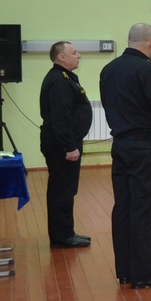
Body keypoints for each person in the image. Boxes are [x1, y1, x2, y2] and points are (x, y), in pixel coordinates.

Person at [99, 23, 151, 289]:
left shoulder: (109, 69)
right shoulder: (148, 70)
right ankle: (144, 274)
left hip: (121, 145)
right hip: (145, 148)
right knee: (145, 208)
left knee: (123, 207)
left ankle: (125, 271)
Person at [39, 41, 94, 248]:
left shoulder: (64, 77)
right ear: (61, 57)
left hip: (64, 142)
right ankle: (62, 236)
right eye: (74, 52)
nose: (78, 55)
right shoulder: (59, 81)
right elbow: (60, 118)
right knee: (62, 190)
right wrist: (69, 146)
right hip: (61, 145)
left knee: (65, 189)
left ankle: (65, 232)